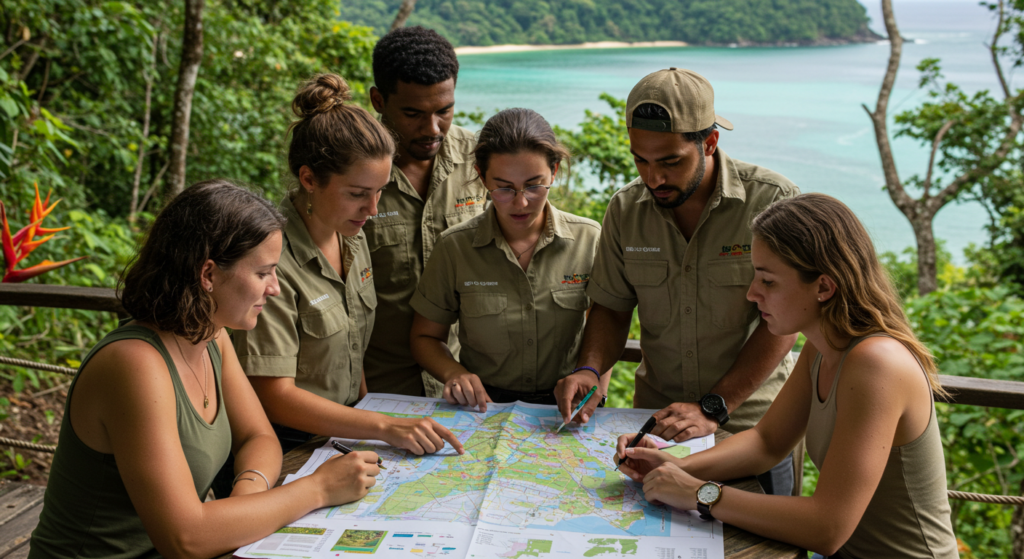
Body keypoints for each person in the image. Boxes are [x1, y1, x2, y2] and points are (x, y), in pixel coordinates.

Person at [30, 181, 382, 559]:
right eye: (263, 273)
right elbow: (187, 538)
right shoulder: (134, 364)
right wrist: (318, 489)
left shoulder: (210, 334)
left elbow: (259, 437)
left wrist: (248, 494)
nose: (275, 289)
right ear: (208, 275)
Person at [615, 193, 958, 558]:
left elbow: (827, 527)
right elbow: (767, 441)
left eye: (769, 281)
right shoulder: (822, 347)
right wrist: (675, 466)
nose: (752, 293)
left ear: (824, 287)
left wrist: (699, 493)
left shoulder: (877, 363)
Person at [554, 68, 800, 496]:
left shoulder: (772, 202)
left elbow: (785, 321)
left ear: (709, 143)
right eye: (640, 160)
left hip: (751, 430)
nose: (653, 178)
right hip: (657, 426)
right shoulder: (626, 210)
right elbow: (612, 307)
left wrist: (714, 407)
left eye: (670, 162)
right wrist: (590, 369)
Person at [230, 74, 464, 466]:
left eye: (379, 192)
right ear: (309, 179)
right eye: (357, 194)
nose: (372, 210)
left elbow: (353, 354)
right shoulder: (271, 262)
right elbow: (271, 393)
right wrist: (382, 426)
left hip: (344, 437)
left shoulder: (351, 237)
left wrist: (367, 424)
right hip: (284, 446)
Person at [409, 108, 604, 409]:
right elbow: (425, 336)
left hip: (567, 406)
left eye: (534, 185)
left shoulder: (589, 240)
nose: (521, 202)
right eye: (503, 188)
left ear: (554, 171)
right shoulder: (455, 247)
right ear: (481, 177)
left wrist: (593, 383)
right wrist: (454, 373)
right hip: (484, 406)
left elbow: (606, 326)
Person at [363, 26, 488, 397]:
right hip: (380, 388)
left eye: (444, 111)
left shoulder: (479, 159)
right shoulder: (349, 172)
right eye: (414, 113)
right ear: (378, 101)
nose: (433, 129)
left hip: (468, 386)